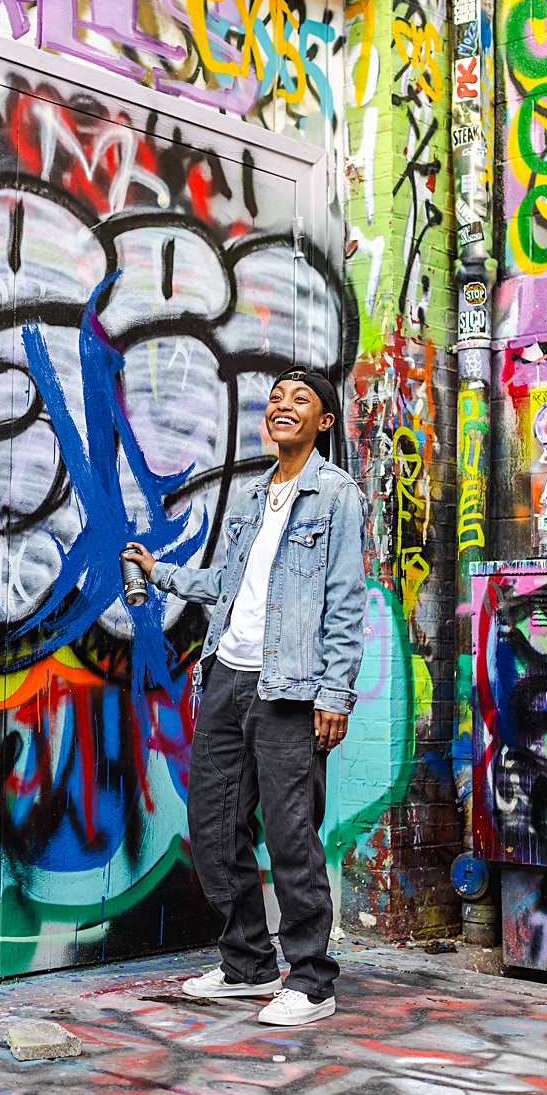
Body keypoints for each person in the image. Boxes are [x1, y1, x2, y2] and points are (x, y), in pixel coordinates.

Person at [123, 365, 365, 1027]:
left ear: (323, 422)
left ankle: (312, 979)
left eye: (301, 400)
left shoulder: (336, 495)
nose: (284, 406)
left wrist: (335, 694)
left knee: (290, 836)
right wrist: (158, 573)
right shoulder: (256, 498)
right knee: (213, 826)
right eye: (277, 398)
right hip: (227, 675)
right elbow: (225, 586)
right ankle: (247, 963)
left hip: (290, 685)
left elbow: (346, 602)